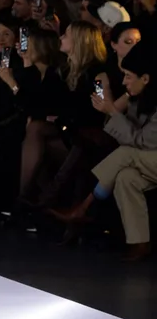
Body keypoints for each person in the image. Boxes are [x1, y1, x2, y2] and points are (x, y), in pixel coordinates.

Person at [52, 41, 157, 260]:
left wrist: (112, 110)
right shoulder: (141, 98)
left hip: (149, 155)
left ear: (145, 78)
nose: (124, 81)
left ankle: (84, 207)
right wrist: (115, 106)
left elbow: (141, 140)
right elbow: (132, 134)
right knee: (126, 178)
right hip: (148, 160)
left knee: (126, 154)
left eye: (128, 76)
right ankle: (139, 243)